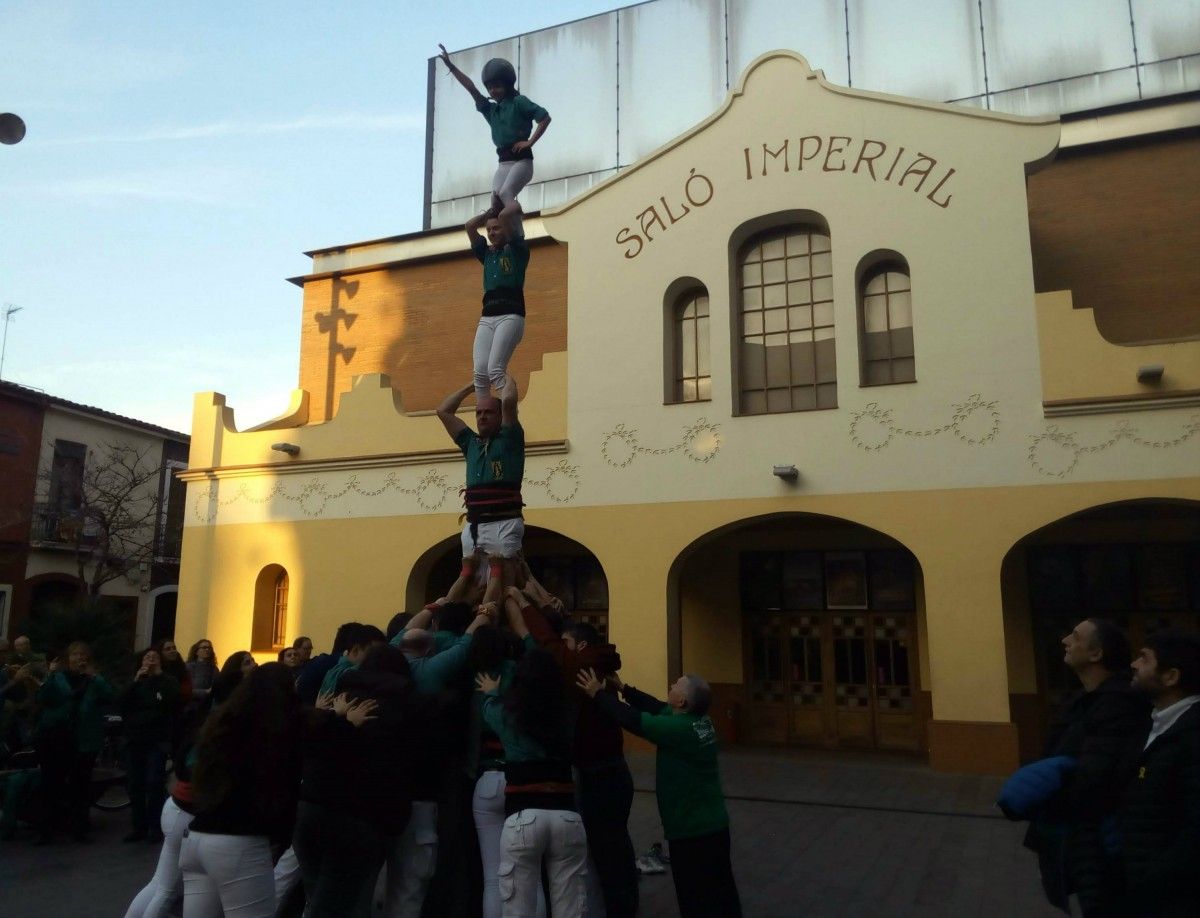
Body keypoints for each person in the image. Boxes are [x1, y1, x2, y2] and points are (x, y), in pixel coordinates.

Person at [578, 668, 741, 918]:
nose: (672, 685)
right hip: (713, 826)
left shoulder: (678, 730)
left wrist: (598, 694)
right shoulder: (699, 722)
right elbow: (654, 706)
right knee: (722, 892)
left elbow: (634, 720)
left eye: (677, 685)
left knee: (695, 898)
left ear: (681, 701)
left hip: (691, 831)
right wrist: (624, 689)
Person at [1021, 618, 1147, 916]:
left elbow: (1093, 780)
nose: (1065, 640)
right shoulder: (1083, 700)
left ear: (1096, 654)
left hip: (1099, 842)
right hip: (1079, 838)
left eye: (1075, 636)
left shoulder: (1117, 705)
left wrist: (1040, 796)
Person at [294, 644, 423, 917]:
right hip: (361, 815)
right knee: (349, 898)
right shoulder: (406, 702)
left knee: (318, 896)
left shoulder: (340, 697)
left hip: (312, 804)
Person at [181, 663, 305, 918]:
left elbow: (187, 762)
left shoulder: (223, 721)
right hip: (240, 840)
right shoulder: (272, 731)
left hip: (198, 835)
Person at [478, 647, 587, 918]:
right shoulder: (569, 714)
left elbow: (489, 711)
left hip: (523, 816)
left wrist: (494, 691)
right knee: (570, 907)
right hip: (567, 816)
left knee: (518, 907)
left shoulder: (508, 715)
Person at [1117, 627, 1200, 917]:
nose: (1134, 664)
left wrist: (1153, 883)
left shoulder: (1192, 736)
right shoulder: (1152, 725)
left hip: (1171, 898)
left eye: (1144, 659)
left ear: (1171, 676)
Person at [437, 45, 550, 235]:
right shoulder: (491, 110)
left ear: (507, 84)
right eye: (490, 87)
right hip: (503, 162)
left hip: (522, 160)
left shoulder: (519, 102)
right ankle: (503, 235)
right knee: (495, 199)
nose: (493, 91)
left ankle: (518, 236)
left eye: (497, 86)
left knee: (506, 193)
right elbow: (471, 88)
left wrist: (529, 142)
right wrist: (452, 67)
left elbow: (545, 118)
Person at [437, 373, 524, 612]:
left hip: (504, 523)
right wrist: (472, 386)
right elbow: (444, 411)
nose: (482, 416)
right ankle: (460, 619)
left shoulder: (510, 438)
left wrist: (502, 376)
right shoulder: (470, 443)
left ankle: (492, 622)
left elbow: (509, 402)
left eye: (488, 412)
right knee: (471, 580)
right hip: (474, 525)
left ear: (499, 416)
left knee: (503, 579)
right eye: (478, 412)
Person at [33, 641, 115, 842]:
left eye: (84, 655)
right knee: (51, 784)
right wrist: (49, 676)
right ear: (68, 658)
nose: (81, 659)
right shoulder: (58, 677)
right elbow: (43, 698)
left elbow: (110, 696)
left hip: (84, 741)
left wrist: (96, 677)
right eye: (76, 655)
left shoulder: (94, 680)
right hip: (58, 739)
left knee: (80, 785)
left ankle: (79, 828)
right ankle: (46, 829)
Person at [462, 209, 529, 403]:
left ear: (506, 229)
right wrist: (488, 214)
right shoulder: (487, 253)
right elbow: (469, 227)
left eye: (496, 228)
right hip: (488, 315)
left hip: (510, 314)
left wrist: (501, 209)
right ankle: (484, 415)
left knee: (495, 369)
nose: (491, 233)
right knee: (480, 373)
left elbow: (511, 214)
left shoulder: (517, 250)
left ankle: (510, 414)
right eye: (489, 229)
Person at [121, 647, 180, 843]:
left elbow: (169, 703)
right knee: (135, 783)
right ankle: (139, 826)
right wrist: (137, 680)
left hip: (157, 739)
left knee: (154, 782)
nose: (151, 660)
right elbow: (122, 702)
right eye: (147, 657)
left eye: (154, 657)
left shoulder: (168, 682)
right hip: (135, 739)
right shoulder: (136, 682)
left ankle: (156, 826)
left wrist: (156, 677)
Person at [185, 640, 219, 710]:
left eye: (209, 648)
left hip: (207, 706)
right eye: (204, 647)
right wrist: (205, 692)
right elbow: (186, 689)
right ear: (197, 651)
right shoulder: (188, 667)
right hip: (190, 706)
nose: (207, 649)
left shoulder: (214, 669)